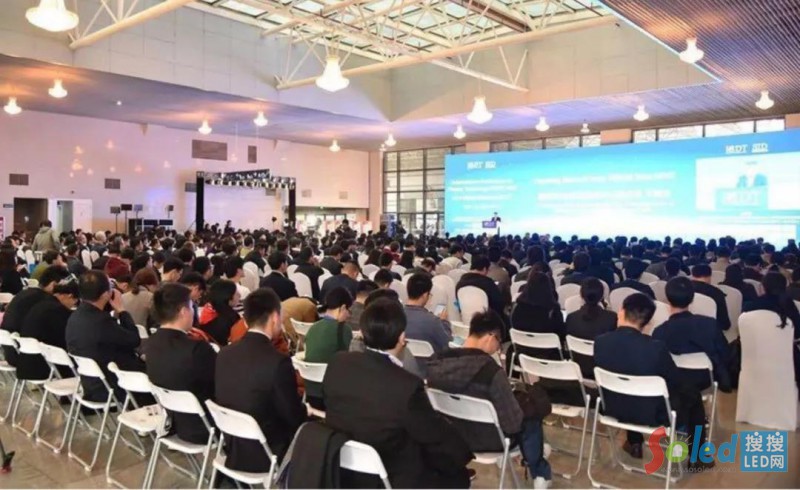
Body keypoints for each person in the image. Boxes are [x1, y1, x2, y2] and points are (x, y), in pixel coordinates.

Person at [323, 298, 473, 488]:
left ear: (363, 331)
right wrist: (463, 454)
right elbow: (435, 436)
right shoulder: (407, 386)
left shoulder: (338, 363)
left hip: (343, 470)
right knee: (457, 474)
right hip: (391, 477)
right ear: (402, 337)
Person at [427, 311, 552, 489]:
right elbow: (512, 424)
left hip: (454, 437)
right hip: (492, 441)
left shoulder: (437, 364)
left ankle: (533, 457)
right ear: (490, 337)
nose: (498, 349)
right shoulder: (491, 373)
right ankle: (540, 472)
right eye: (499, 343)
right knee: (530, 414)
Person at [594, 294, 709, 468]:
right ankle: (697, 457)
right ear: (647, 323)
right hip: (653, 415)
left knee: (627, 386)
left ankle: (634, 443)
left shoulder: (600, 343)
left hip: (613, 408)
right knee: (692, 395)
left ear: (621, 312)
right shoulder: (655, 348)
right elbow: (675, 382)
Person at [215, 288, 307, 473]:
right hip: (269, 452)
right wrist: (306, 410)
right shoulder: (277, 362)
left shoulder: (224, 353)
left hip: (234, 447)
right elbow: (293, 417)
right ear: (274, 317)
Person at [144, 283, 217, 445]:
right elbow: (220, 384)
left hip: (173, 423)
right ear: (184, 311)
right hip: (207, 427)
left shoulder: (150, 343)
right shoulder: (196, 349)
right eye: (192, 306)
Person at [65, 270, 144, 403]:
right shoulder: (101, 321)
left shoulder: (75, 316)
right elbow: (134, 340)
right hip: (112, 388)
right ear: (105, 294)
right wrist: (121, 310)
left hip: (90, 383)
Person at [653, 277, 732, 393]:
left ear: (668, 300)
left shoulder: (659, 332)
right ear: (692, 299)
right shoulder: (710, 325)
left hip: (673, 381)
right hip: (705, 380)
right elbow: (725, 354)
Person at [0, 266, 71, 367]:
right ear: (53, 284)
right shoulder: (47, 302)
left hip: (10, 351)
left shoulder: (24, 293)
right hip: (27, 356)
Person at [743, 271, 800, 389]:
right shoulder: (790, 306)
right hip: (787, 357)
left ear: (763, 287)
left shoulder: (750, 306)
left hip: (755, 354)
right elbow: (797, 333)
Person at [17, 277, 79, 380]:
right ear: (70, 296)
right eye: (75, 302)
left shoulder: (41, 304)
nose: (73, 306)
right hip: (44, 366)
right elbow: (65, 340)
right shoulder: (58, 310)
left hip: (26, 363)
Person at [303, 287, 354, 407]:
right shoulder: (344, 329)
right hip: (332, 392)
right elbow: (345, 361)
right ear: (343, 307)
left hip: (310, 390)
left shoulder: (313, 328)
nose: (348, 315)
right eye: (348, 310)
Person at [456, 255, 508, 328]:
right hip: (487, 323)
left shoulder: (460, 283)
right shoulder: (488, 283)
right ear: (484, 269)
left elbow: (457, 303)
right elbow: (499, 304)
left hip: (463, 322)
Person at [404, 273, 451, 353]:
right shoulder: (433, 321)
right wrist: (444, 322)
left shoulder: (395, 315)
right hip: (430, 361)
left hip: (402, 360)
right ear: (425, 295)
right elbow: (447, 344)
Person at [512, 272, 564, 343]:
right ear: (548, 288)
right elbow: (561, 334)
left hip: (523, 347)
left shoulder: (517, 308)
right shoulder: (553, 310)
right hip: (547, 348)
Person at [198, 279, 243, 345]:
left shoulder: (206, 311)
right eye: (236, 293)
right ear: (228, 296)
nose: (239, 295)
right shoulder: (231, 318)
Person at [690, 264, 731, 331]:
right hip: (710, 332)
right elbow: (725, 324)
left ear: (692, 275)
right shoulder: (717, 293)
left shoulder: (683, 289)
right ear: (710, 276)